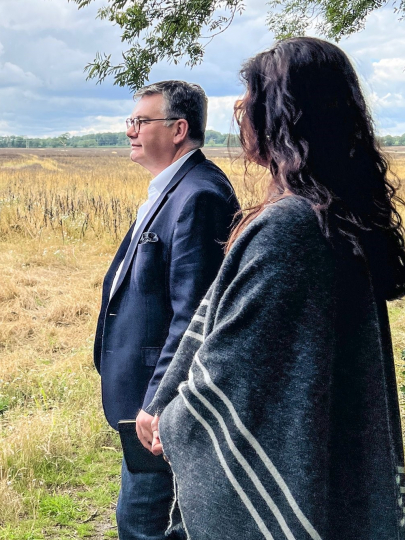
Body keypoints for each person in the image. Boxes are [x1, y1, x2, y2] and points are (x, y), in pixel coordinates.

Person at [143, 37, 405, 539]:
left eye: (249, 101)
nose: (240, 114)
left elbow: (231, 372)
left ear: (282, 117)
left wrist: (174, 419)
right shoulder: (334, 212)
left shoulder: (292, 226)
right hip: (331, 461)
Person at [93, 80, 240, 539]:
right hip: (148, 395)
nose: (130, 131)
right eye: (130, 121)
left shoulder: (199, 195)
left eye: (140, 121)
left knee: (141, 524)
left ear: (178, 129)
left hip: (164, 402)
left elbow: (194, 316)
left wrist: (158, 400)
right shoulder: (173, 187)